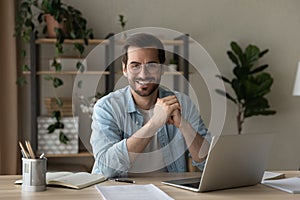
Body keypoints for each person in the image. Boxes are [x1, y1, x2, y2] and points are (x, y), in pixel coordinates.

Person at [90, 33, 211, 178]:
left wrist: (183, 125)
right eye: (135, 66)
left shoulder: (182, 103)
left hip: (170, 192)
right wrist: (154, 123)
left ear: (161, 69)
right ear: (125, 69)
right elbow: (106, 170)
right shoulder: (106, 108)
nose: (143, 74)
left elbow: (207, 162)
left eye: (152, 65)